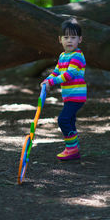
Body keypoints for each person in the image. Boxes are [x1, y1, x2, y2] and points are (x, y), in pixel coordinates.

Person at [40, 18, 87, 161]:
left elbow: (68, 75)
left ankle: (71, 149)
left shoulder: (77, 56)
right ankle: (74, 148)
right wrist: (47, 80)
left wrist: (52, 82)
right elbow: (56, 72)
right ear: (60, 40)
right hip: (68, 96)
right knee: (70, 121)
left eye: (73, 37)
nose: (69, 40)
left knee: (63, 120)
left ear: (80, 39)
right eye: (66, 37)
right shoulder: (62, 56)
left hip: (77, 95)